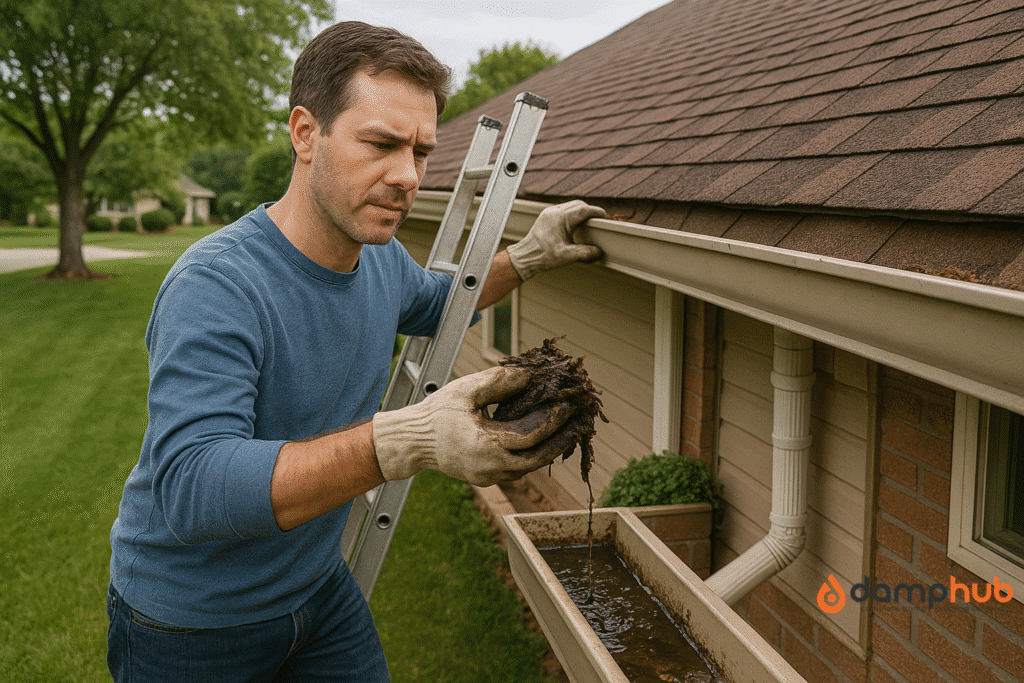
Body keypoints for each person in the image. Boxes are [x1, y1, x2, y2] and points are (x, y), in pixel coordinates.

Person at [106, 20, 607, 683]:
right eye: (381, 144)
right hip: (193, 624)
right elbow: (194, 486)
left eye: (421, 152)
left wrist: (529, 257)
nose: (407, 177)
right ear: (305, 134)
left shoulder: (380, 261)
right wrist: (406, 440)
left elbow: (442, 302)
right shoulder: (218, 284)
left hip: (317, 586)